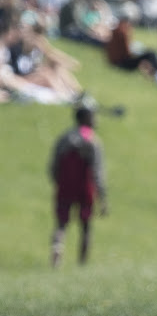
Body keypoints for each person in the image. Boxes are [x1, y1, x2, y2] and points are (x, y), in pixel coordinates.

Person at [49, 98, 108, 267]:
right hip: (85, 187)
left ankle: (57, 247)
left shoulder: (65, 137)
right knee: (86, 226)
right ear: (87, 118)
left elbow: (54, 163)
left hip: (65, 186)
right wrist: (103, 197)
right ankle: (82, 263)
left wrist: (56, 181)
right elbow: (97, 171)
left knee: (61, 223)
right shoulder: (93, 141)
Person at [106, 12, 157, 90]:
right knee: (150, 54)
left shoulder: (117, 30)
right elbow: (127, 51)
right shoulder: (122, 31)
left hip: (117, 61)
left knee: (150, 56)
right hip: (122, 63)